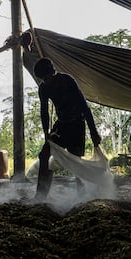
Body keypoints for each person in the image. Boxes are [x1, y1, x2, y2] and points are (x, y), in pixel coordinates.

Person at [33, 57, 101, 199]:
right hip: (61, 126)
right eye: (42, 79)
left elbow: (84, 106)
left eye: (47, 77)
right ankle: (40, 196)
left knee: (76, 162)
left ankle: (81, 197)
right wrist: (46, 133)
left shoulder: (67, 81)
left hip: (77, 125)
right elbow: (44, 111)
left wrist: (94, 132)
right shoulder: (44, 88)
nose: (45, 81)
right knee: (44, 154)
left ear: (53, 72)